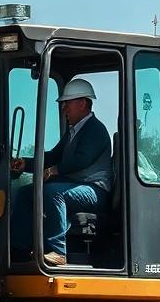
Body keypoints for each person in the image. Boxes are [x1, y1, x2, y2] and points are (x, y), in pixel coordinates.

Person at [10, 78, 112, 266]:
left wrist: (54, 170)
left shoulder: (96, 130)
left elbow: (82, 159)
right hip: (75, 187)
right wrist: (26, 164)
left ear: (82, 103)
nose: (63, 108)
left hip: (94, 191)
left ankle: (58, 251)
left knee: (54, 192)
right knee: (26, 193)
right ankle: (19, 249)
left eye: (67, 103)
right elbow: (53, 156)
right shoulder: (73, 132)